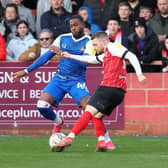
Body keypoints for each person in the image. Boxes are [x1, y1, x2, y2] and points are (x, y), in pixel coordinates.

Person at [12, 15, 115, 151]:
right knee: (41, 105)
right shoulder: (62, 38)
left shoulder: (89, 42)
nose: (73, 28)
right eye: (71, 25)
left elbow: (86, 60)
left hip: (76, 81)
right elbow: (45, 57)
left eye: (76, 25)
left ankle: (105, 140)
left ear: (83, 25)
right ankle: (58, 122)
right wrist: (25, 71)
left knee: (90, 109)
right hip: (59, 79)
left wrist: (63, 53)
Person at [54, 31, 146, 152]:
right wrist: (70, 56)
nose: (94, 47)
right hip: (119, 93)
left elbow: (132, 56)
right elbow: (91, 60)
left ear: (104, 42)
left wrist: (139, 75)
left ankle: (69, 138)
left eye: (95, 45)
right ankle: (102, 141)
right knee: (97, 117)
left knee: (88, 112)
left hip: (108, 87)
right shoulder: (108, 54)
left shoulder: (112, 47)